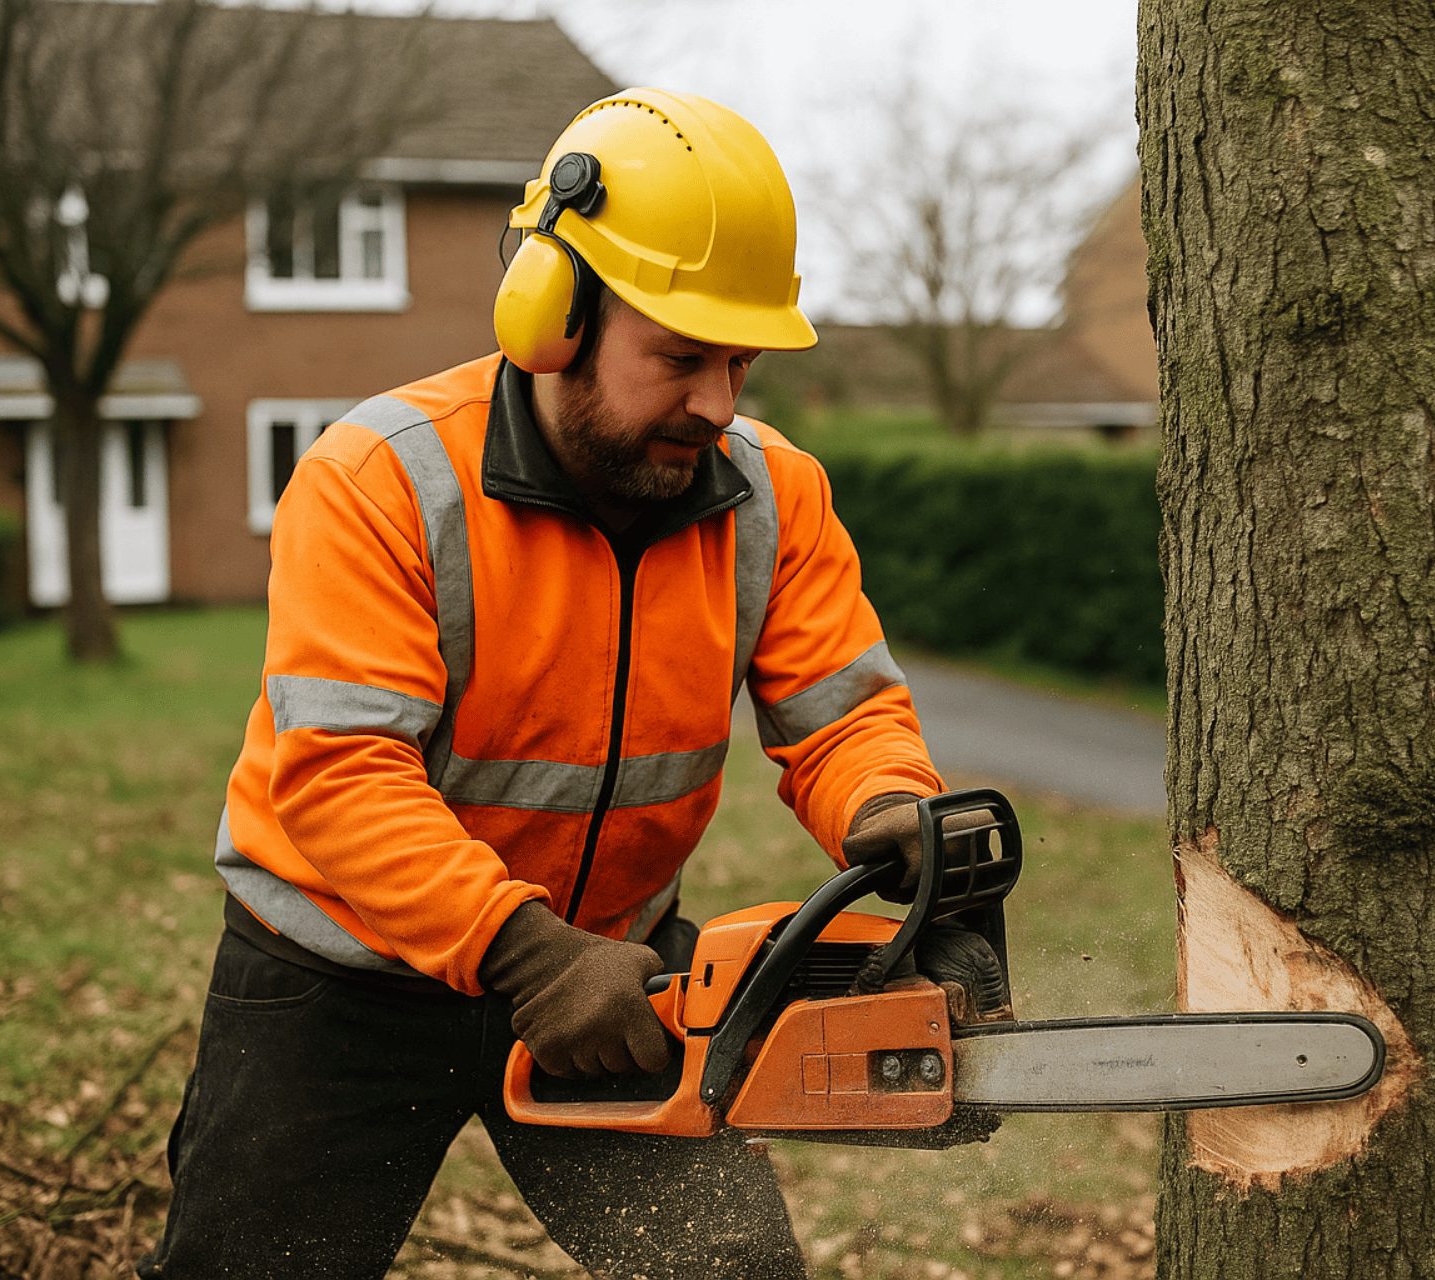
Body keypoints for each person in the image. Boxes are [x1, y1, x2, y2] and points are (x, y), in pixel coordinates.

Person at [138, 88, 956, 1279]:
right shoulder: (381, 478)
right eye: (679, 359)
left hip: (618, 979)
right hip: (346, 984)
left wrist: (895, 818)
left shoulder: (773, 495)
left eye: (738, 361)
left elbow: (847, 715)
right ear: (551, 316)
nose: (718, 404)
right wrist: (529, 954)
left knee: (727, 1268)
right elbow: (341, 773)